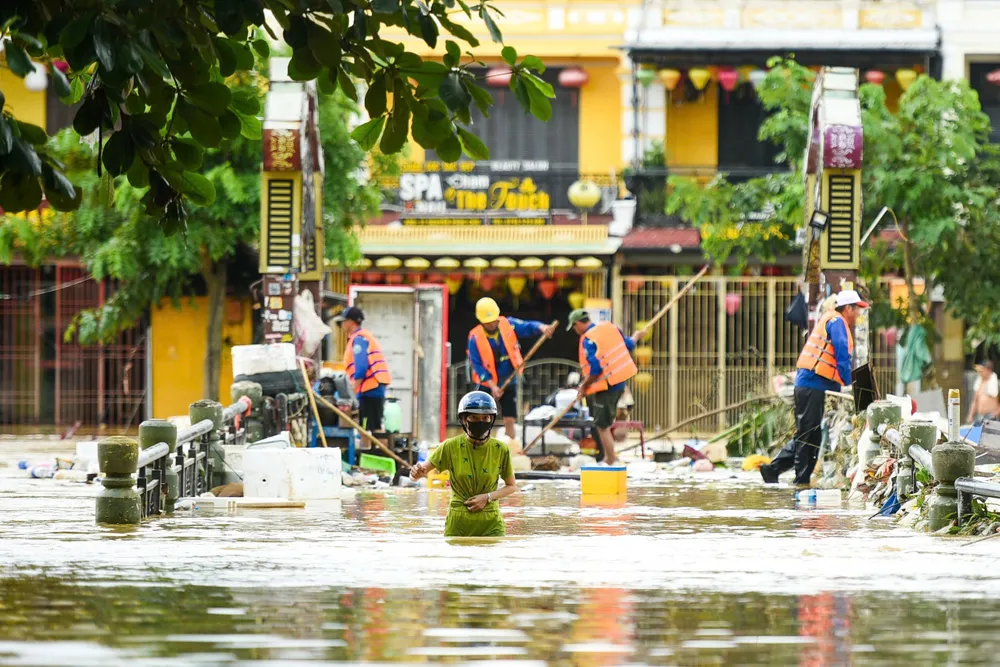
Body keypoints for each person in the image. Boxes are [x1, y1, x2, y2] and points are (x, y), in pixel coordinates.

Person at [760, 289, 868, 486]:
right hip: (811, 384)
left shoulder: (834, 320)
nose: (859, 314)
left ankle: (775, 470)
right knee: (808, 434)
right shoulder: (836, 322)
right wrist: (847, 382)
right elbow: (842, 354)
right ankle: (800, 482)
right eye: (857, 309)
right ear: (848, 308)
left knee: (812, 434)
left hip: (813, 384)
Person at [409, 391, 518, 537]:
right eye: (474, 417)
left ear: (491, 419)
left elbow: (511, 486)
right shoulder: (449, 446)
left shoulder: (501, 449)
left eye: (485, 417)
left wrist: (488, 497)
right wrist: (415, 473)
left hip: (491, 524)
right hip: (458, 523)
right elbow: (418, 474)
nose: (480, 421)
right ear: (464, 419)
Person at [467, 297, 556, 440]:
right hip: (487, 382)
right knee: (480, 417)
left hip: (508, 379)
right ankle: (477, 444)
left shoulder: (508, 324)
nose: (492, 324)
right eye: (488, 323)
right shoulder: (474, 337)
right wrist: (493, 386)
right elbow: (477, 365)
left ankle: (510, 449)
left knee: (509, 419)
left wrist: (542, 327)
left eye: (494, 320)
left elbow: (527, 326)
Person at [566, 309, 644, 466]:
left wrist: (583, 387)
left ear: (578, 324)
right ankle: (610, 458)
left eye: (574, 328)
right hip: (619, 384)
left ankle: (610, 460)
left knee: (602, 426)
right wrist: (636, 335)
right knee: (605, 423)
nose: (575, 331)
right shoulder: (610, 330)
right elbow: (628, 345)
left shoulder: (589, 339)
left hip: (605, 387)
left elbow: (595, 369)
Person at [334, 306, 392, 433]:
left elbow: (361, 368)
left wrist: (352, 392)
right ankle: (375, 450)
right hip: (372, 389)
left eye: (343, 321)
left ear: (350, 322)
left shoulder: (359, 339)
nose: (342, 325)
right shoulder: (362, 338)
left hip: (370, 391)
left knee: (371, 429)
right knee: (371, 427)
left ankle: (377, 452)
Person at [967, 360, 1000, 424]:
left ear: (988, 370)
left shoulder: (996, 383)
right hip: (981, 416)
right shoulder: (979, 382)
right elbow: (975, 400)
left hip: (992, 416)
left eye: (982, 371)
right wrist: (970, 415)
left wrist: (996, 413)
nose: (980, 373)